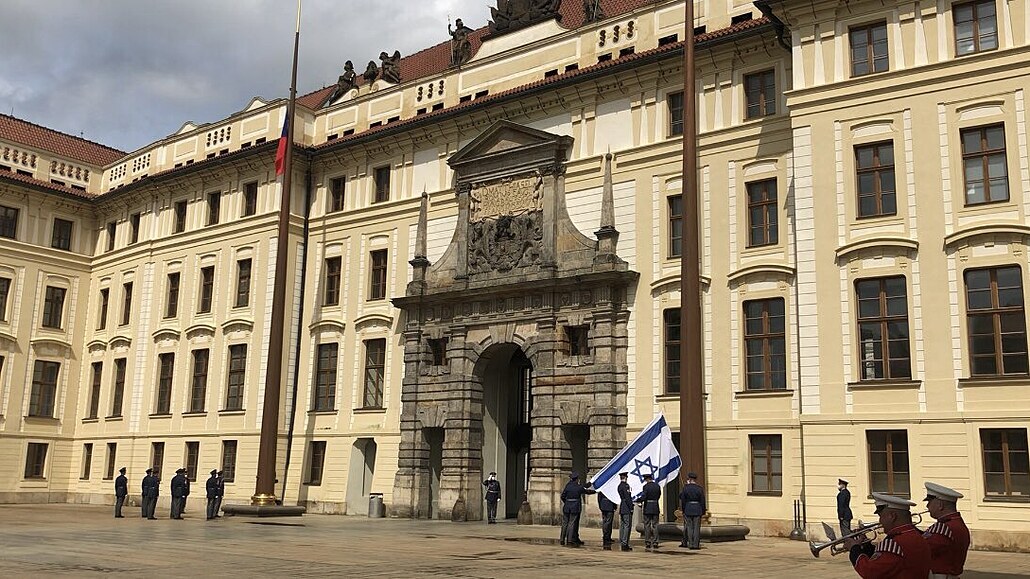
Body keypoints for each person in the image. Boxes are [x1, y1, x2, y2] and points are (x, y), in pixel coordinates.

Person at [845, 492, 931, 579]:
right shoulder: (917, 535)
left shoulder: (894, 542)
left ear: (892, 516)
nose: (880, 521)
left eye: (881, 516)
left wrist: (854, 549)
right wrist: (866, 546)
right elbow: (888, 563)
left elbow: (870, 572)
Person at [922, 482, 970, 579]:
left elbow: (922, 550)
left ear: (940, 505)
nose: (927, 506)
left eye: (929, 502)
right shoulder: (955, 522)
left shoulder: (944, 528)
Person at [559, 472, 595, 546]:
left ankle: (562, 539)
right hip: (575, 507)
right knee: (571, 523)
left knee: (565, 523)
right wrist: (595, 491)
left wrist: (567, 502)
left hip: (567, 507)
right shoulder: (578, 487)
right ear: (577, 479)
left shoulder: (567, 486)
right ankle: (569, 540)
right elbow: (586, 491)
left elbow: (562, 496)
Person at [679, 471, 705, 549]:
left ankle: (690, 544)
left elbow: (682, 499)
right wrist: (703, 511)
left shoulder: (686, 488)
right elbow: (702, 501)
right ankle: (696, 544)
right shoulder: (699, 488)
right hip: (697, 509)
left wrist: (683, 510)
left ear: (689, 479)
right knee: (696, 528)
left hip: (688, 509)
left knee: (689, 528)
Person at [638, 472, 662, 551]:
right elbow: (659, 495)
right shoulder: (657, 486)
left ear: (646, 479)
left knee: (647, 525)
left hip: (648, 507)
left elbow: (644, 496)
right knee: (655, 525)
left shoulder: (646, 487)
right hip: (655, 506)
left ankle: (648, 541)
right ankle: (655, 541)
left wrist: (639, 500)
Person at [617, 472, 634, 551]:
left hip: (622, 506)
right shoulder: (626, 486)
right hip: (626, 507)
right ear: (625, 477)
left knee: (623, 525)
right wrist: (631, 507)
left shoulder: (619, 486)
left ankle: (622, 540)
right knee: (627, 525)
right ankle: (625, 543)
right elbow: (628, 498)